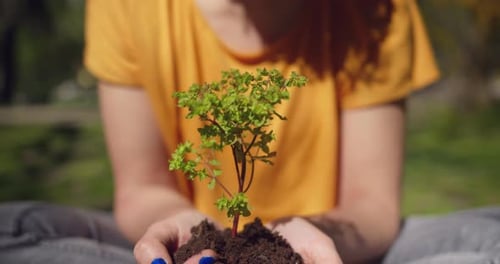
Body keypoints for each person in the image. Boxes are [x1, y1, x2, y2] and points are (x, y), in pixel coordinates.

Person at [1, 0, 499, 264]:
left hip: (335, 246)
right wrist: (193, 234)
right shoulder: (130, 6)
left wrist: (296, 243)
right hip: (187, 239)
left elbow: (372, 206)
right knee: (14, 228)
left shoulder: (374, 9)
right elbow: (140, 187)